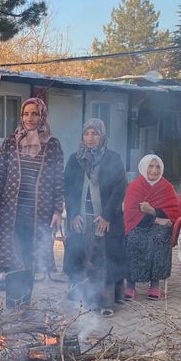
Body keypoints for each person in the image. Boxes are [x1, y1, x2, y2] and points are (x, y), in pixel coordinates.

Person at [0, 97, 64, 311]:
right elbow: (0, 174)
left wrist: (58, 209)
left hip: (39, 215)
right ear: (21, 116)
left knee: (30, 261)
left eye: (34, 114)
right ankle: (12, 306)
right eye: (26, 114)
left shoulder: (52, 144)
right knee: (12, 258)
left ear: (42, 116)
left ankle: (24, 305)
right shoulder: (10, 142)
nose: (30, 118)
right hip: (12, 213)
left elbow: (59, 179)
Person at [62, 118, 127, 316]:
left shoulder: (113, 159)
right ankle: (83, 297)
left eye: (95, 133)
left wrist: (107, 216)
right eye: (86, 133)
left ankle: (105, 302)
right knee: (81, 257)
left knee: (103, 261)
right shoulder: (75, 159)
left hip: (106, 220)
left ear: (102, 136)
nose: (90, 138)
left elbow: (119, 189)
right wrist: (73, 215)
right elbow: (68, 189)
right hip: (82, 219)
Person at [123, 154, 181, 301]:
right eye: (150, 166)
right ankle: (130, 284)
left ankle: (154, 284)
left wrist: (153, 211)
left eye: (157, 167)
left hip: (158, 228)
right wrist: (157, 218)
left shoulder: (166, 187)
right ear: (144, 167)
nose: (154, 170)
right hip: (138, 224)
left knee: (158, 238)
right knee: (133, 239)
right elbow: (131, 213)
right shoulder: (135, 186)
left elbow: (172, 213)